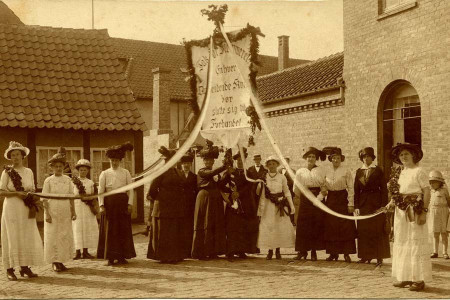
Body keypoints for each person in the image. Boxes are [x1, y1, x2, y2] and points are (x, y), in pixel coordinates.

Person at [385, 143, 431, 291]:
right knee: (402, 241)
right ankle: (404, 277)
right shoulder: (400, 173)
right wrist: (392, 202)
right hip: (400, 212)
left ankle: (418, 279)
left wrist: (423, 211)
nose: (404, 157)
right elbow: (398, 192)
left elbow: (427, 192)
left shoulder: (419, 171)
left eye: (406, 154)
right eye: (401, 155)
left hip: (415, 210)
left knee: (414, 242)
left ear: (413, 155)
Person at [0, 141, 43, 280]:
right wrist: (16, 194)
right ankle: (9, 269)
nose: (16, 157)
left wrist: (30, 193)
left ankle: (24, 267)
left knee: (25, 235)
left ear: (23, 156)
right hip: (12, 207)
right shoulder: (7, 172)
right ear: (10, 157)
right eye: (13, 155)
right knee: (12, 235)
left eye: (18, 154)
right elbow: (1, 191)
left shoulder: (29, 171)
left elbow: (32, 188)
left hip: (25, 208)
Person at [97, 142, 136, 266]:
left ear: (120, 161)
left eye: (117, 160)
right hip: (110, 204)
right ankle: (110, 257)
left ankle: (121, 256)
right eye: (112, 160)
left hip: (122, 204)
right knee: (110, 230)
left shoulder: (125, 173)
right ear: (109, 160)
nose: (114, 163)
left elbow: (131, 189)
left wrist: (130, 204)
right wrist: (101, 205)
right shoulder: (105, 173)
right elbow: (100, 191)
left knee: (122, 229)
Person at [147, 147, 186, 263]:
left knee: (174, 232)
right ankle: (163, 256)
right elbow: (152, 191)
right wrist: (162, 198)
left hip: (175, 208)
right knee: (164, 232)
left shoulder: (178, 172)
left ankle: (174, 255)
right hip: (163, 208)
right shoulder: (160, 172)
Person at [354, 147, 390, 266]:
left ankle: (379, 256)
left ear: (372, 158)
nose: (366, 159)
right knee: (364, 230)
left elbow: (384, 189)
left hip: (376, 204)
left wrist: (383, 206)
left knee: (377, 230)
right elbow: (356, 190)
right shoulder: (359, 171)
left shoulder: (378, 170)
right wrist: (356, 206)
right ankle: (365, 256)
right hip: (363, 205)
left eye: (368, 156)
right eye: (364, 157)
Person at [42, 147, 76, 272]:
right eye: (56, 166)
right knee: (53, 236)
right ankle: (54, 261)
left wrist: (73, 212)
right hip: (53, 210)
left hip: (65, 210)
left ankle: (61, 260)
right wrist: (47, 214)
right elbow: (44, 198)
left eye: (60, 166)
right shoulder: (48, 181)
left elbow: (71, 196)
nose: (58, 168)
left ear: (64, 167)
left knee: (63, 235)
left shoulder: (68, 180)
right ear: (52, 168)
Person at [191, 140, 227, 260]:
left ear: (213, 161)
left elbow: (221, 185)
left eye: (210, 160)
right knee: (205, 223)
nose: (208, 162)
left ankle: (213, 251)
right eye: (206, 160)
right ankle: (202, 252)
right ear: (203, 161)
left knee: (215, 223)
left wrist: (227, 173)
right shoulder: (202, 171)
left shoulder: (216, 173)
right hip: (205, 198)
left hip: (215, 200)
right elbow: (211, 173)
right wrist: (223, 166)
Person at [222, 148, 258, 261]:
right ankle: (231, 251)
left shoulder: (249, 173)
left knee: (243, 227)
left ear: (245, 160)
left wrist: (239, 193)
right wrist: (230, 193)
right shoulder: (230, 172)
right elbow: (221, 184)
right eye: (238, 161)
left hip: (246, 204)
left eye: (242, 160)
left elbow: (250, 186)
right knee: (233, 227)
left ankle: (242, 251)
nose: (240, 162)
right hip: (233, 204)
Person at [257, 155, 295, 260]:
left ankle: (278, 251)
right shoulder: (264, 177)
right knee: (270, 226)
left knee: (279, 227)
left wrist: (291, 205)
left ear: (277, 165)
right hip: (268, 205)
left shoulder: (282, 177)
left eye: (274, 164)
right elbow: (260, 193)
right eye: (269, 164)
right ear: (267, 166)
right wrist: (259, 186)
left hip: (280, 204)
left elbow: (286, 191)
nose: (272, 166)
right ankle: (270, 251)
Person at [322, 147, 356, 263]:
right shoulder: (326, 171)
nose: (336, 160)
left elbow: (351, 188)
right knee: (331, 226)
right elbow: (324, 186)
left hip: (342, 198)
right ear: (330, 159)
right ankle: (333, 253)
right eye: (333, 158)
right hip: (331, 199)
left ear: (341, 159)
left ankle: (346, 253)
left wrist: (351, 204)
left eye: (338, 158)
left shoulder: (346, 171)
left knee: (345, 227)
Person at [293, 147, 326, 261]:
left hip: (317, 198)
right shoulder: (300, 171)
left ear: (316, 159)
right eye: (309, 157)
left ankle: (313, 251)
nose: (311, 159)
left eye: (313, 157)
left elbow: (324, 186)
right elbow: (296, 188)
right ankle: (302, 251)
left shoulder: (320, 170)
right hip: (305, 199)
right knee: (303, 225)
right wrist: (301, 198)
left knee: (315, 224)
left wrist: (319, 198)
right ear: (305, 158)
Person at [72, 159, 99, 260]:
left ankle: (86, 251)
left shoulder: (90, 182)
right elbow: (71, 195)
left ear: (88, 171)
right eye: (81, 170)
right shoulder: (73, 182)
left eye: (85, 170)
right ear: (78, 171)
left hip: (87, 207)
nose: (83, 172)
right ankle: (77, 252)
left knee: (87, 228)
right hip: (77, 206)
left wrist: (90, 198)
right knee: (77, 228)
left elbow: (94, 195)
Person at [179, 152, 197, 258]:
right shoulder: (177, 175)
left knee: (189, 228)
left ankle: (189, 250)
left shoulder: (194, 177)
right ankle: (181, 251)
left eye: (188, 163)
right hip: (180, 206)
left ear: (190, 165)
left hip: (190, 206)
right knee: (180, 228)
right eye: (184, 163)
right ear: (181, 165)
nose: (186, 165)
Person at [428, 170, 449, 259]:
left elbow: (449, 201)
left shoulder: (444, 191)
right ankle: (435, 251)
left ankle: (445, 252)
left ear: (440, 183)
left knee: (443, 233)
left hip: (443, 211)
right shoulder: (430, 191)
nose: (432, 184)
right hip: (433, 212)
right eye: (431, 182)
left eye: (434, 182)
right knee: (435, 232)